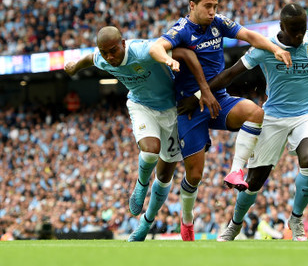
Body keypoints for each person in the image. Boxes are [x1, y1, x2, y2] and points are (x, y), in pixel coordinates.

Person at [191, 2, 308, 241]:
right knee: (254, 181)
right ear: (281, 27)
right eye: (294, 30)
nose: (299, 35)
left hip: (307, 114)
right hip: (274, 117)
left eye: (302, 29)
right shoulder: (265, 47)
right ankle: (235, 225)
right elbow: (231, 74)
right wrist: (198, 97)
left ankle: (296, 220)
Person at [148, 0, 292, 241]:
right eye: (207, 6)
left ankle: (236, 170)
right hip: (189, 109)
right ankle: (187, 219)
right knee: (194, 175)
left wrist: (275, 48)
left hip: (218, 99)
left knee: (255, 113)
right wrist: (168, 60)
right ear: (192, 5)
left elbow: (249, 35)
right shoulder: (181, 30)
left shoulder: (219, 23)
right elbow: (155, 47)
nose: (213, 11)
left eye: (215, 6)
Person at [64, 26, 219, 242]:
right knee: (150, 152)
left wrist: (191, 78)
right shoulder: (103, 57)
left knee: (165, 177)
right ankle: (141, 184)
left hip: (172, 111)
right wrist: (73, 67)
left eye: (114, 50)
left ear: (124, 43)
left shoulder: (142, 51)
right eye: (105, 52)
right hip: (141, 106)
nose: (110, 56)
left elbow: (186, 53)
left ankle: (146, 223)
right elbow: (90, 58)